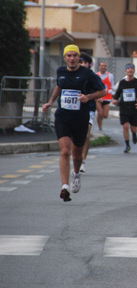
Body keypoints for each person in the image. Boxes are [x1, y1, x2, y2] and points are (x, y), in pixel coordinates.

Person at [42, 45, 106, 202]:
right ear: (65, 58)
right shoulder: (61, 72)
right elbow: (59, 85)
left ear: (79, 58)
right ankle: (65, 186)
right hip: (63, 116)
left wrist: (88, 97)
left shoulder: (87, 74)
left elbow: (103, 91)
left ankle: (76, 173)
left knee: (77, 154)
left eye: (74, 55)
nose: (71, 58)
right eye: (68, 55)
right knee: (65, 150)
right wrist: (50, 101)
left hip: (80, 118)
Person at [112, 63, 137, 153]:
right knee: (125, 126)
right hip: (124, 108)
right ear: (125, 71)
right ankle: (127, 145)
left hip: (134, 108)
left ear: (134, 71)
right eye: (128, 69)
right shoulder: (122, 82)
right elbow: (117, 94)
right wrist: (115, 100)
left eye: (131, 68)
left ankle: (134, 134)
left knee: (133, 128)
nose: (130, 70)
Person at [78, 53, 101, 173]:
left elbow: (101, 90)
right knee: (76, 136)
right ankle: (76, 158)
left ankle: (83, 160)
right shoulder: (73, 75)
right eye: (80, 62)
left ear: (89, 64)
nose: (82, 65)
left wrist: (96, 97)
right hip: (75, 109)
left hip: (89, 109)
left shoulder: (92, 77)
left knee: (86, 134)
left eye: (84, 63)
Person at [96, 61, 115, 133]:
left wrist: (112, 92)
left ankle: (101, 120)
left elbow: (112, 85)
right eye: (102, 66)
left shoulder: (110, 75)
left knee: (105, 115)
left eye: (104, 66)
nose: (103, 67)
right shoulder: (96, 75)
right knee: (100, 113)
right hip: (98, 97)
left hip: (107, 97)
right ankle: (100, 128)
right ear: (99, 67)